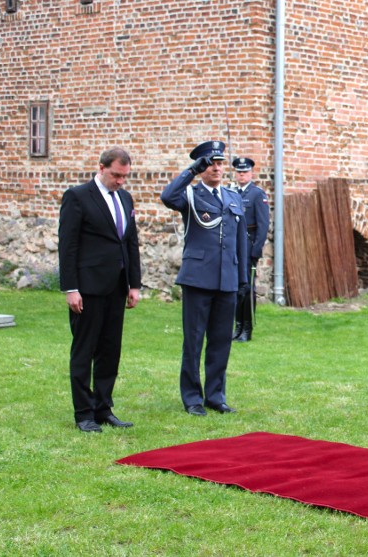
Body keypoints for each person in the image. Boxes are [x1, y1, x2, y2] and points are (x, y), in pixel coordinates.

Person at [161, 141, 248, 416]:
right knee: (194, 341)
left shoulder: (233, 197)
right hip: (198, 279)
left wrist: (242, 279)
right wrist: (190, 171)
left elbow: (240, 242)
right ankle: (192, 398)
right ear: (202, 167)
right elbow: (167, 197)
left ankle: (215, 396)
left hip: (227, 280)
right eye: (211, 163)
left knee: (221, 341)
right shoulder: (190, 194)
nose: (217, 168)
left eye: (220, 163)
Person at [58, 147, 141, 432]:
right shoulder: (78, 196)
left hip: (116, 287)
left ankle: (103, 408)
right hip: (88, 288)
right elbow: (67, 246)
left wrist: (134, 284)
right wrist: (71, 288)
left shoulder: (125, 198)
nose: (120, 181)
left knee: (110, 351)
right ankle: (84, 413)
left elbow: (130, 242)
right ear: (102, 168)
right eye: (116, 175)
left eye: (124, 176)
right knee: (84, 351)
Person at [229, 157, 270, 342]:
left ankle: (247, 328)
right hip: (234, 247)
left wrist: (256, 250)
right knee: (236, 288)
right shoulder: (232, 193)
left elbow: (263, 226)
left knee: (247, 288)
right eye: (239, 172)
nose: (242, 175)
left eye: (245, 172)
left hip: (249, 246)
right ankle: (237, 327)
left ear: (251, 173)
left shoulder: (257, 194)